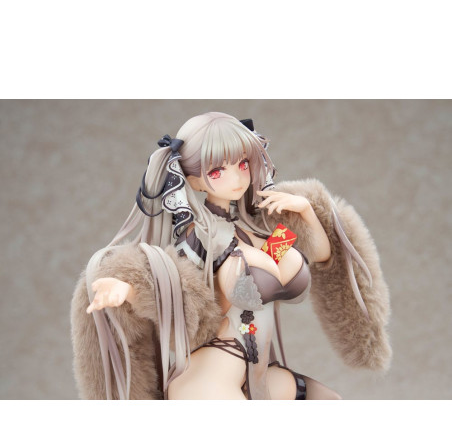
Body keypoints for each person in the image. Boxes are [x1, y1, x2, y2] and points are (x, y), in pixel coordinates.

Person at [71, 112, 391, 400]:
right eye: (217, 170)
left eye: (242, 164)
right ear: (194, 180)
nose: (237, 178)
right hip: (213, 373)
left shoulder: (258, 232)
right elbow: (176, 288)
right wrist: (128, 288)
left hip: (258, 374)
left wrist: (306, 211)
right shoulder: (200, 238)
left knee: (329, 401)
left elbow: (321, 256)